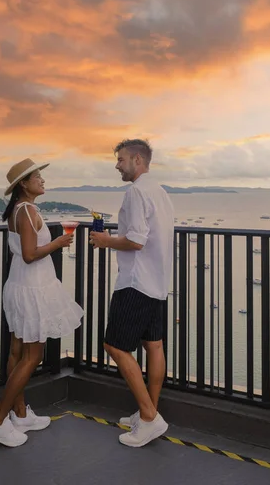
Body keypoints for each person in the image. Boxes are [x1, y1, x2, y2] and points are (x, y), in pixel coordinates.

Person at [0, 158, 84, 447]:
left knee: (17, 350)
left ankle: (21, 413)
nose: (43, 181)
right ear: (24, 184)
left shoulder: (17, 210)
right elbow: (29, 253)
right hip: (32, 288)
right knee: (32, 356)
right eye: (38, 177)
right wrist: (59, 244)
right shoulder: (27, 210)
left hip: (19, 285)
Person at [89, 139, 174, 448]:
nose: (117, 165)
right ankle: (147, 412)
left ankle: (150, 418)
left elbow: (136, 241)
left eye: (121, 159)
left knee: (114, 346)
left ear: (137, 160)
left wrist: (104, 240)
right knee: (154, 346)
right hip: (158, 280)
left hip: (136, 281)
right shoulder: (161, 192)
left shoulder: (136, 192)